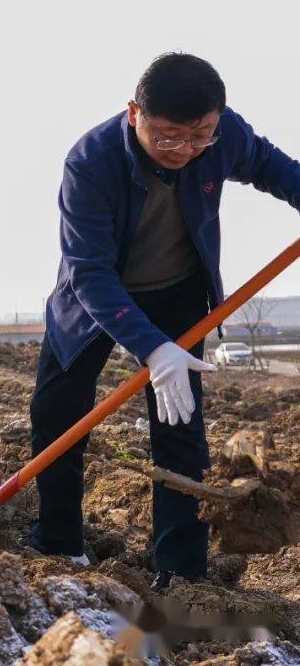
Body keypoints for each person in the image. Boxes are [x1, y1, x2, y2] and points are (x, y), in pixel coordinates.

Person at [28, 53, 300, 590]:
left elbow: (274, 168)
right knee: (56, 414)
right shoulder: (91, 160)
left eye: (200, 137)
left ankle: (180, 572)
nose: (187, 150)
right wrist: (153, 349)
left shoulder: (224, 135)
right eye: (171, 137)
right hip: (96, 300)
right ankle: (59, 543)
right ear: (135, 114)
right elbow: (88, 270)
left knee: (180, 432)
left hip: (177, 294)